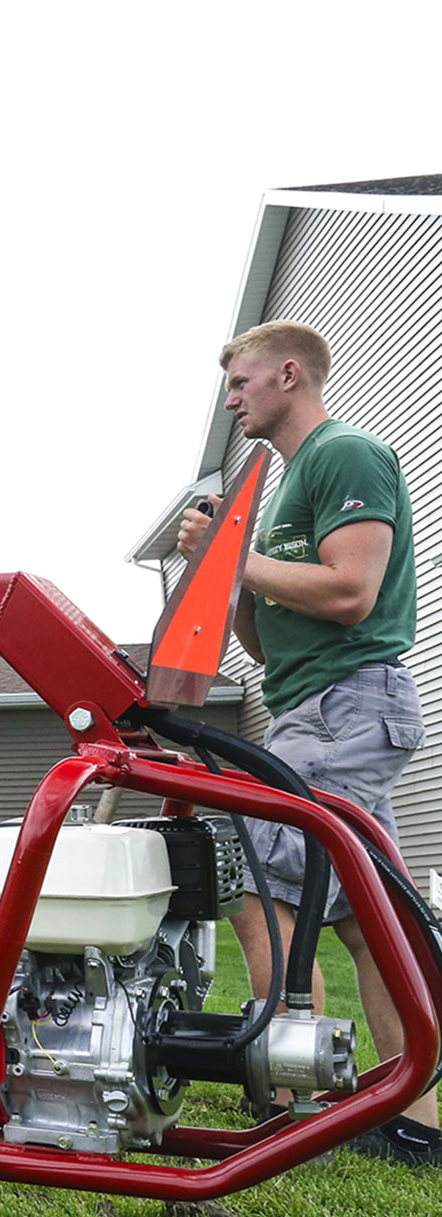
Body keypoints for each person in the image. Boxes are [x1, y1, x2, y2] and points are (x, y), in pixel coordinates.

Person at [177, 319, 437, 1164]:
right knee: (371, 921)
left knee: (266, 897)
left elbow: (354, 590)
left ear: (289, 375)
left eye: (242, 382)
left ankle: (305, 1114)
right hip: (313, 706)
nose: (230, 398)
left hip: (346, 705)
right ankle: (406, 1115)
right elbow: (263, 644)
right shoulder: (284, 487)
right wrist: (221, 567)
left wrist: (236, 554)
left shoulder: (344, 454)